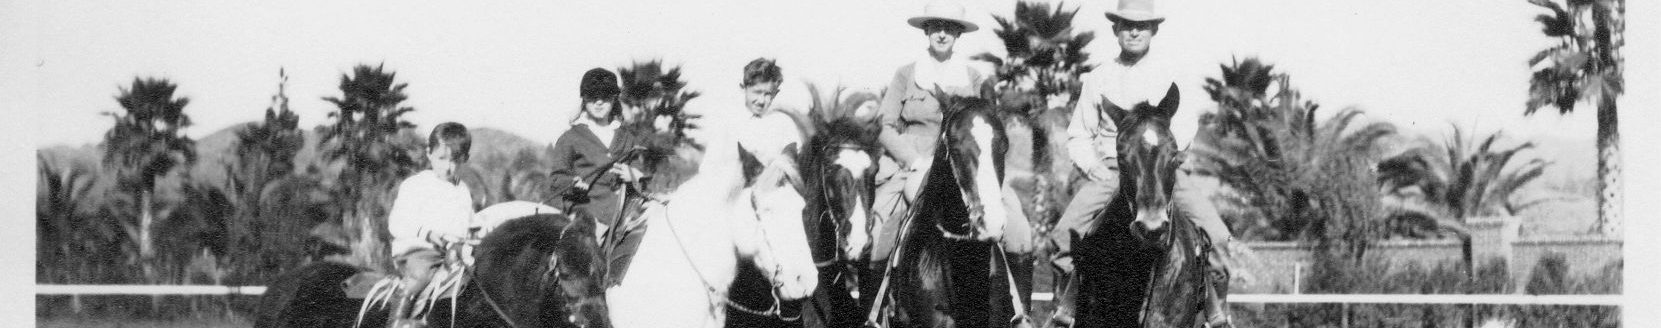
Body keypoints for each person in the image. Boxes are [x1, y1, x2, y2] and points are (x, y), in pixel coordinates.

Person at [1046, 0, 1233, 326]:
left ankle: (1217, 313)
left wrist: (1168, 159)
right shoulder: (1098, 78)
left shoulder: (1171, 76)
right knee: (1065, 234)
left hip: (1162, 168)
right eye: (1126, 24)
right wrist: (1093, 168)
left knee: (1216, 236)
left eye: (1141, 26)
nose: (1134, 31)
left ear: (1153, 30)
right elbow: (1078, 134)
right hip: (1113, 169)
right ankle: (1066, 311)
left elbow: (1185, 126)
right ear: (1116, 29)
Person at [864, 1, 986, 305]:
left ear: (959, 34)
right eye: (936, 27)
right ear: (926, 31)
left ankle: (1013, 312)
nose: (942, 33)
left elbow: (987, 128)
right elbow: (884, 125)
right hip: (910, 164)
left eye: (949, 28)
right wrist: (912, 159)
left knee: (1016, 230)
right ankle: (874, 311)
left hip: (963, 166)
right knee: (880, 232)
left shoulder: (973, 77)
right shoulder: (906, 74)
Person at [386, 122, 476, 326]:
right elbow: (397, 222)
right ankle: (397, 321)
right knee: (419, 275)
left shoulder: (463, 191)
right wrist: (426, 233)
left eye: (455, 160)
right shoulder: (417, 185)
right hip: (420, 252)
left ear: (465, 159)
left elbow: (468, 224)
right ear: (429, 154)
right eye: (442, 158)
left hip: (453, 255)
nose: (448, 166)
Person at [550, 68, 646, 232]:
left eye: (605, 96)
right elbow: (557, 179)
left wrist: (634, 175)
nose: (599, 101)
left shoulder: (627, 137)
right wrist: (572, 183)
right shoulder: (570, 138)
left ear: (614, 99)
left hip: (625, 216)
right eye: (592, 96)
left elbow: (639, 170)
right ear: (583, 99)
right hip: (587, 217)